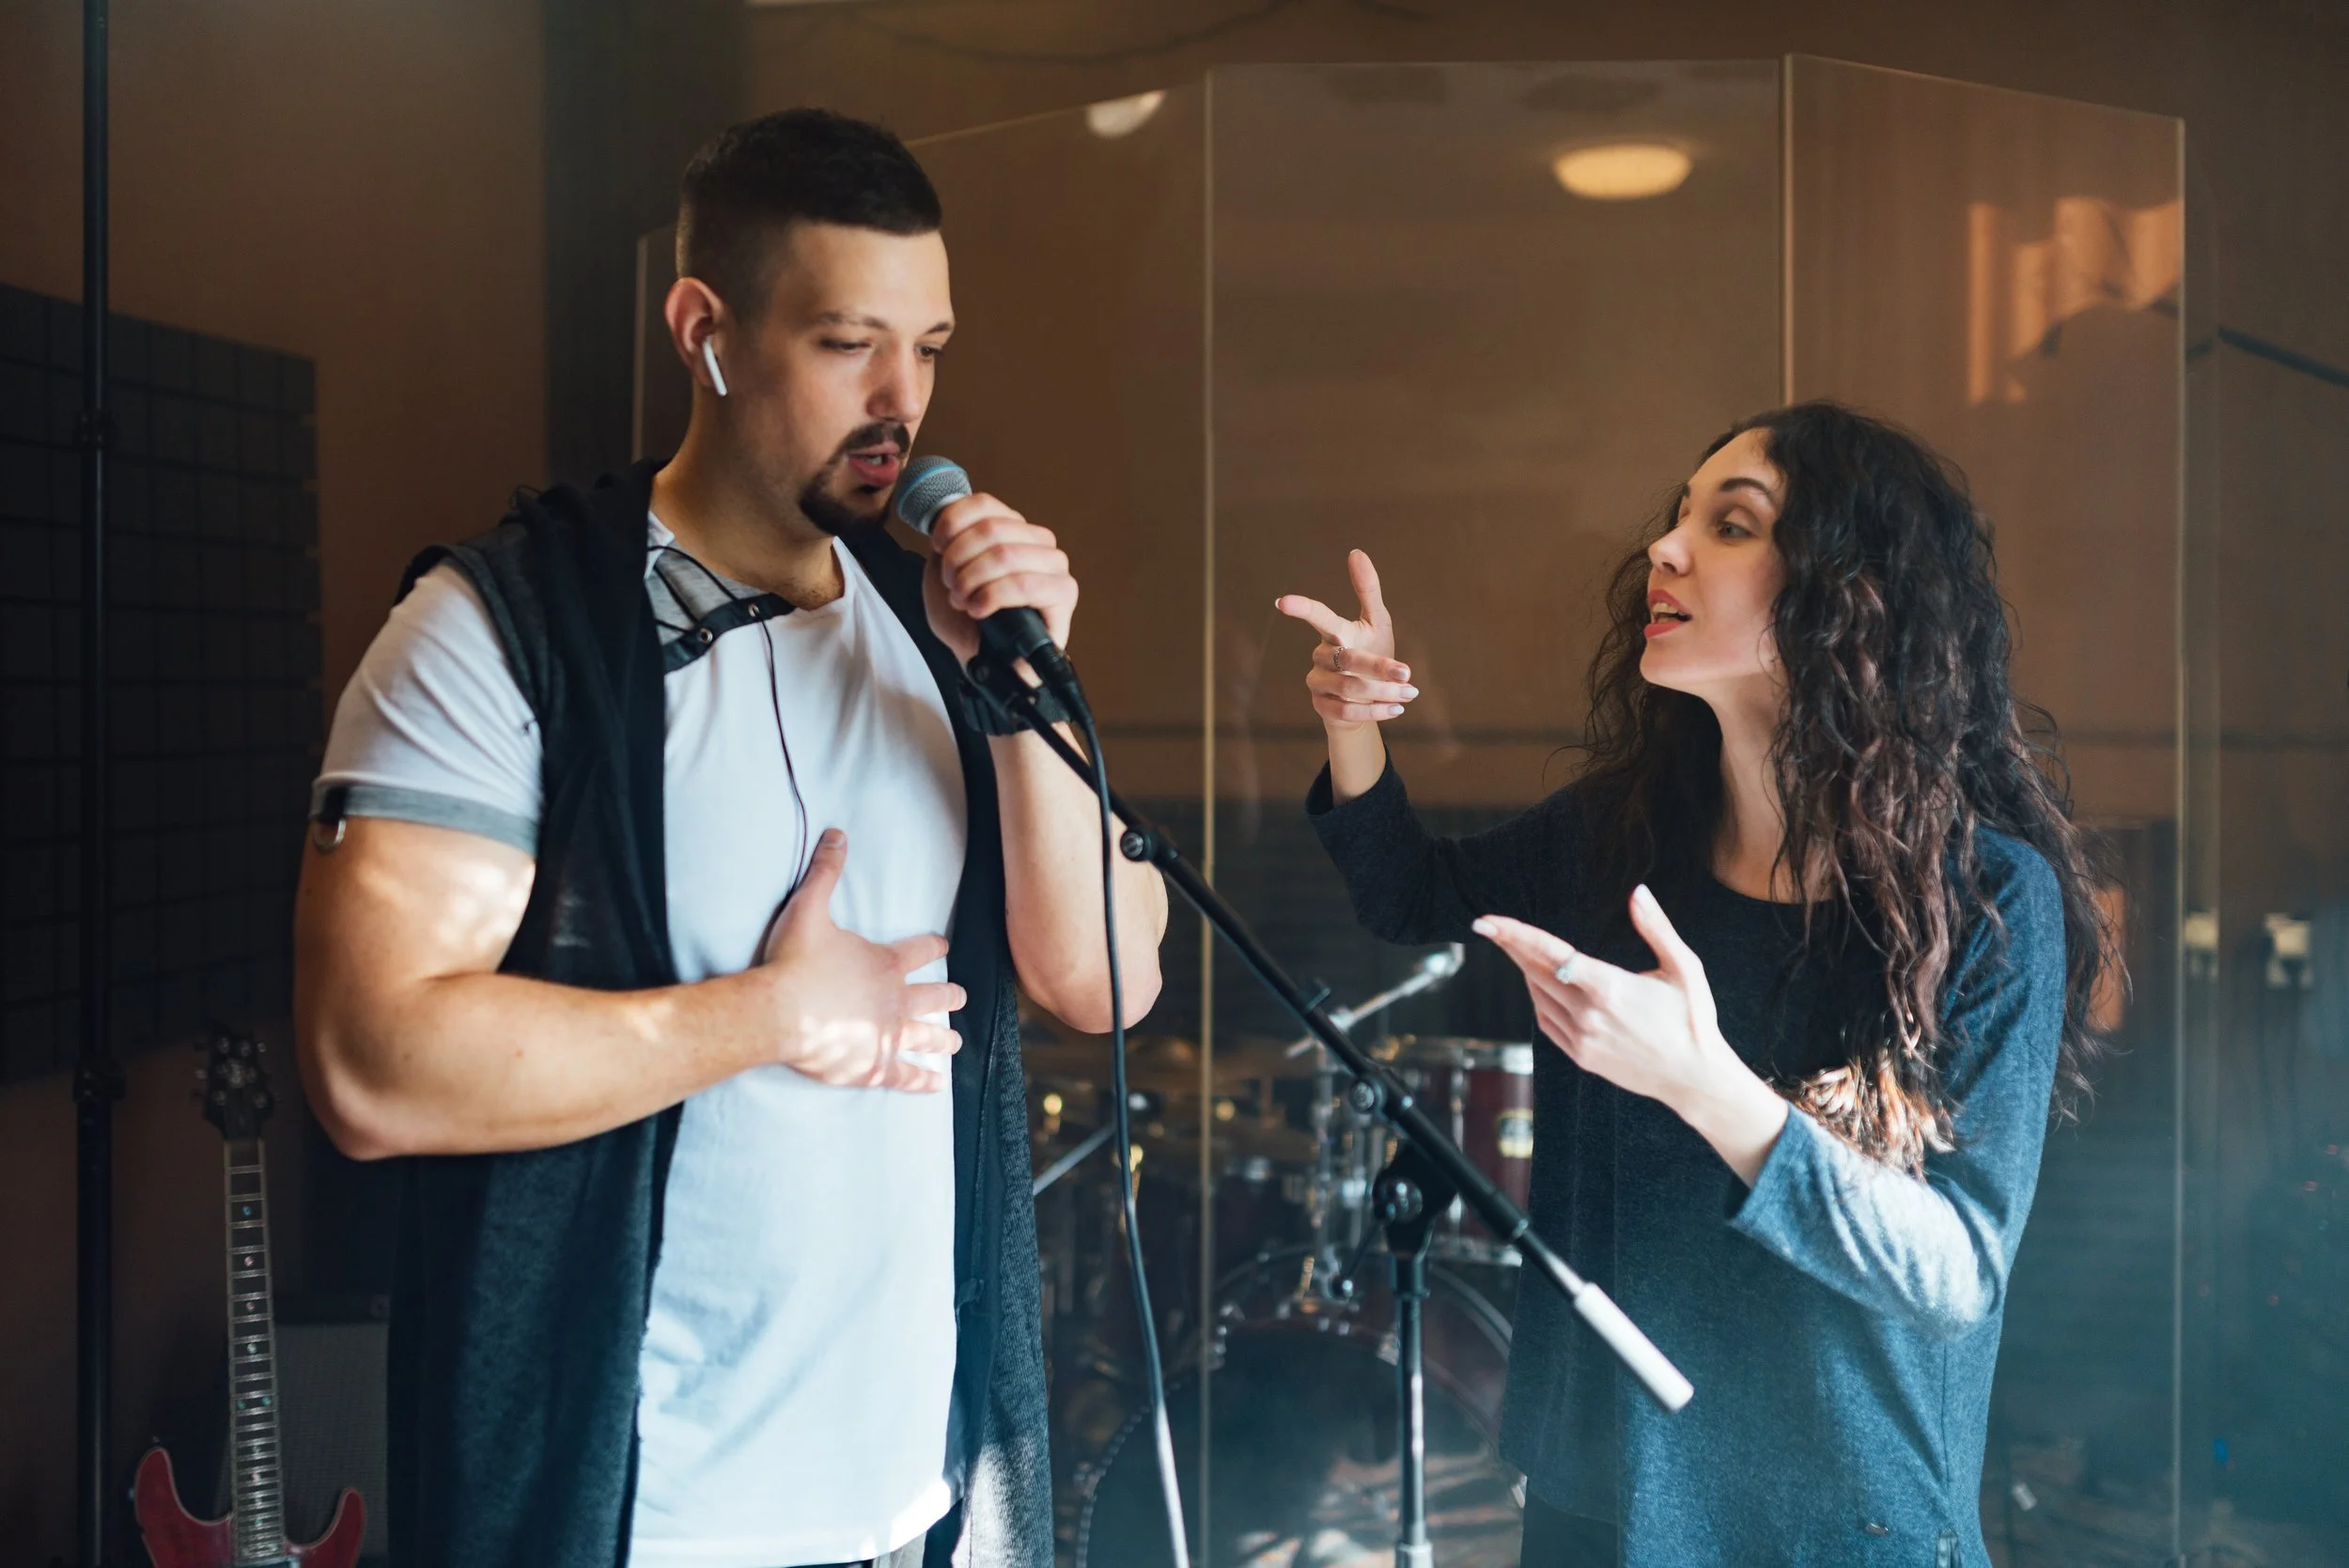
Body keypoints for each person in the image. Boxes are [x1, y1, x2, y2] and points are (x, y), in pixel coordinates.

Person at [292, 109, 1165, 1568]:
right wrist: (770, 1015)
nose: (903, 399)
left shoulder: (944, 627)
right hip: (646, 1518)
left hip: (922, 1507)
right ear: (702, 326)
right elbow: (368, 1066)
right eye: (847, 342)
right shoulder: (505, 630)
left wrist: (1024, 695)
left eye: (931, 346)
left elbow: (1103, 985)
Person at [1275, 402, 2108, 1567]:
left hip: (1839, 1524)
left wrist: (1698, 1081)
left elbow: (1953, 1270)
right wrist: (1350, 726)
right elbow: (1411, 895)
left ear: (1846, 593)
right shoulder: (1616, 837)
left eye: (1729, 524)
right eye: (1678, 517)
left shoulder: (1983, 898)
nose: (1663, 548)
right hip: (1595, 1502)